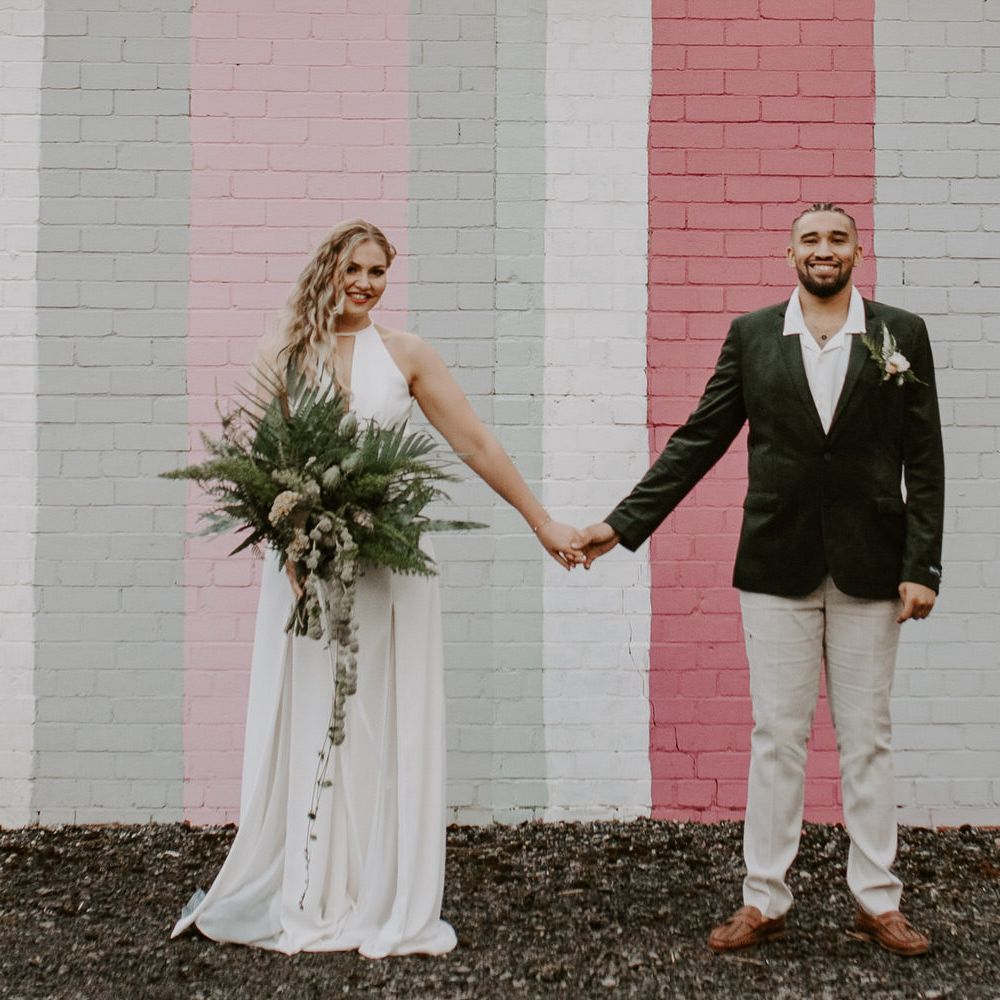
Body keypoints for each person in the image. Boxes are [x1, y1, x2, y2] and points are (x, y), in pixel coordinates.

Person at [172, 219, 582, 957]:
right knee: (317, 714)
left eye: (378, 272)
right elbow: (263, 462)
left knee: (382, 714)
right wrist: (291, 542)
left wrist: (541, 521)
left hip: (391, 561)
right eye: (353, 269)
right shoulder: (286, 354)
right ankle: (312, 884)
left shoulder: (406, 354)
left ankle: (380, 888)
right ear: (326, 269)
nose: (365, 283)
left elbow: (474, 443)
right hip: (310, 563)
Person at [574, 204, 944, 957]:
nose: (824, 249)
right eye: (810, 239)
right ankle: (764, 898)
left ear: (857, 252)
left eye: (837, 238)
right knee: (777, 735)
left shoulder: (900, 334)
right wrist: (620, 525)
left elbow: (925, 457)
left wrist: (921, 565)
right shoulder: (751, 336)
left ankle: (877, 899)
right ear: (789, 254)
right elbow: (699, 439)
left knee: (867, 738)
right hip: (777, 564)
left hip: (873, 566)